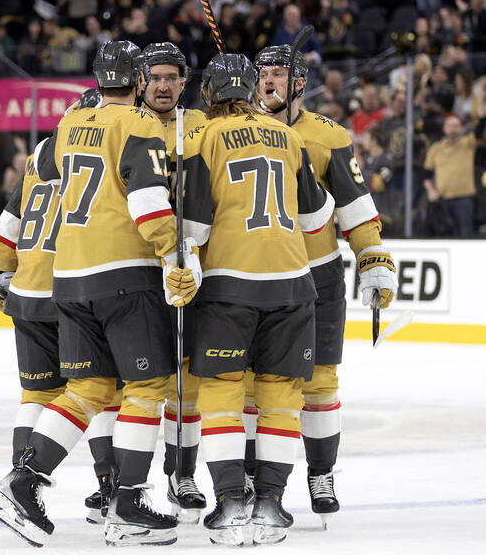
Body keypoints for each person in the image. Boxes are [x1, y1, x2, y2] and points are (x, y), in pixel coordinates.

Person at [0, 41, 192, 547]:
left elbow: (47, 176)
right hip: (123, 275)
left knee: (87, 391)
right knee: (147, 389)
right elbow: (147, 203)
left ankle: (23, 481)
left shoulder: (69, 125)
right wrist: (174, 258)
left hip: (68, 278)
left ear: (98, 80)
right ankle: (129, 503)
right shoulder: (139, 126)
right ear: (140, 81)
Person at [180, 53, 334, 546]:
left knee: (224, 391)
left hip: (228, 284)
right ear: (250, 91)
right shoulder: (289, 137)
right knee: (281, 396)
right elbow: (315, 218)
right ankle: (269, 504)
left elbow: (195, 224)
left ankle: (229, 504)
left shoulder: (202, 136)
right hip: (293, 283)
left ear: (208, 94)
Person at [253, 45, 398, 519]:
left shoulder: (329, 137)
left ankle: (321, 474)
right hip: (259, 275)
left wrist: (373, 257)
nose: (269, 81)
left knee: (318, 383)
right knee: (257, 386)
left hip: (317, 278)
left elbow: (356, 207)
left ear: (299, 82)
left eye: (279, 73)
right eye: (263, 73)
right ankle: (258, 483)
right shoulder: (238, 131)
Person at [0, 89, 120, 526]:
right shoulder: (101, 145)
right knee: (101, 391)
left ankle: (18, 483)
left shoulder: (42, 151)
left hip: (27, 290)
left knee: (37, 395)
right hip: (73, 288)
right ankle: (109, 490)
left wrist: (3, 274)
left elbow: (8, 228)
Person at [138, 42, 208, 522]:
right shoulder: (124, 123)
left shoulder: (201, 124)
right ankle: (118, 485)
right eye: (155, 77)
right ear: (141, 80)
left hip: (189, 267)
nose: (163, 85)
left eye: (172, 77)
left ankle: (181, 474)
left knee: (187, 384)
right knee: (137, 384)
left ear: (185, 82)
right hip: (134, 271)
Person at [423, 115, 478, 236]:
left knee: (465, 234)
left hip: (464, 199)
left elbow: (481, 128)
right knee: (444, 233)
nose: (453, 129)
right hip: (443, 200)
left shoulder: (468, 143)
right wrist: (431, 191)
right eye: (450, 126)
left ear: (461, 129)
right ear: (444, 128)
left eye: (456, 126)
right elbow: (426, 175)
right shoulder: (436, 148)